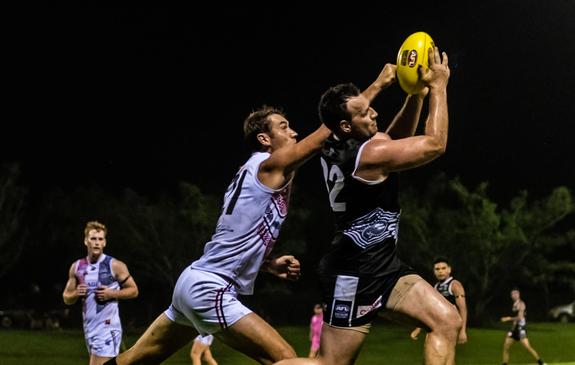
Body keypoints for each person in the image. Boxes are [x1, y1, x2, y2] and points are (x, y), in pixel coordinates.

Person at [104, 70, 391, 365]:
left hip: (193, 282)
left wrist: (268, 265)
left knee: (132, 361)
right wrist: (379, 85)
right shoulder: (268, 164)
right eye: (284, 127)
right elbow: (324, 134)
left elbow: (237, 235)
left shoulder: (263, 172)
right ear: (265, 138)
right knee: (284, 358)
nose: (293, 132)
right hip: (209, 288)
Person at [276, 45, 459, 365]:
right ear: (346, 126)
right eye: (364, 112)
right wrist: (438, 89)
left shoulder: (339, 144)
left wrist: (415, 93)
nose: (373, 112)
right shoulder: (366, 156)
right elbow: (435, 145)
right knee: (330, 364)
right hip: (352, 275)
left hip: (385, 267)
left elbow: (394, 139)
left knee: (446, 320)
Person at [62, 220, 139, 365]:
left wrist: (112, 294)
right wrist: (76, 293)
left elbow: (134, 290)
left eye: (100, 239)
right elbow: (67, 298)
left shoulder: (115, 265)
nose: (97, 242)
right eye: (93, 239)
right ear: (86, 241)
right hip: (89, 329)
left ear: (104, 242)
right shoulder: (77, 267)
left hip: (107, 328)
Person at [410, 256, 468, 344]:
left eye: (443, 268)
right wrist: (418, 329)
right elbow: (429, 310)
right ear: (434, 271)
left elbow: (463, 309)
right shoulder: (436, 287)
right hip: (437, 326)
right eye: (437, 269)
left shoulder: (455, 285)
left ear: (449, 269)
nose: (440, 271)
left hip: (451, 326)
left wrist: (463, 331)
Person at [500, 288, 546, 365]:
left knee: (527, 347)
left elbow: (520, 317)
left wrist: (508, 318)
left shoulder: (521, 304)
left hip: (521, 329)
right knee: (506, 347)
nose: (514, 295)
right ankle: (504, 364)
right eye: (512, 294)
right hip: (513, 330)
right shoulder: (514, 304)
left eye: (516, 294)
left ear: (518, 295)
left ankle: (541, 362)